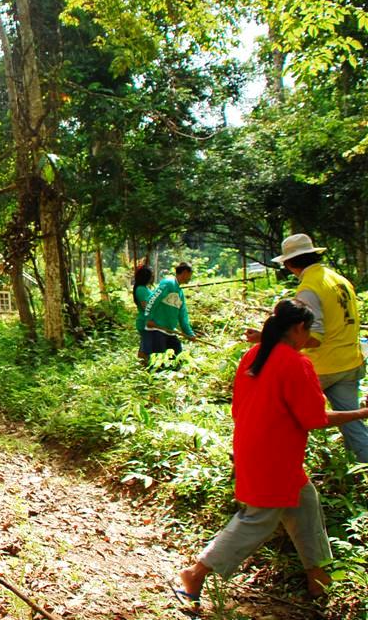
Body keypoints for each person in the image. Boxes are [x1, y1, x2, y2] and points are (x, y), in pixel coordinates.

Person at [176, 299, 368, 606]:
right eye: (309, 330)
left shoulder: (254, 354)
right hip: (275, 456)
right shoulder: (296, 363)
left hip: (253, 446)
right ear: (298, 328)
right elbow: (314, 419)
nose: (309, 338)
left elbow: (240, 407)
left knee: (305, 503)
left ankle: (318, 577)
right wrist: (361, 413)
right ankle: (196, 573)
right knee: (258, 519)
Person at [246, 234, 367, 463]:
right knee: (352, 424)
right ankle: (362, 470)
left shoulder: (309, 288)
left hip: (323, 366)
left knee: (278, 414)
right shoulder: (338, 279)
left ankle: (264, 459)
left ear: (289, 263)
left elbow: (314, 337)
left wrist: (266, 337)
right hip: (350, 361)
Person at [144, 262, 197, 356]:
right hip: (157, 329)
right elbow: (152, 300)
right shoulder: (168, 283)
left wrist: (189, 333)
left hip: (170, 331)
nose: (190, 278)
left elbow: (183, 316)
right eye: (190, 275)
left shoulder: (180, 293)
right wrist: (149, 318)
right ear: (185, 273)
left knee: (177, 357)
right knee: (159, 359)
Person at [132, 265, 155, 364]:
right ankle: (143, 366)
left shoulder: (144, 288)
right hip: (146, 322)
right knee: (146, 348)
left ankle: (144, 365)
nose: (152, 277)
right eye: (151, 275)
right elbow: (146, 307)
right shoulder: (141, 289)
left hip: (148, 322)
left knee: (147, 346)